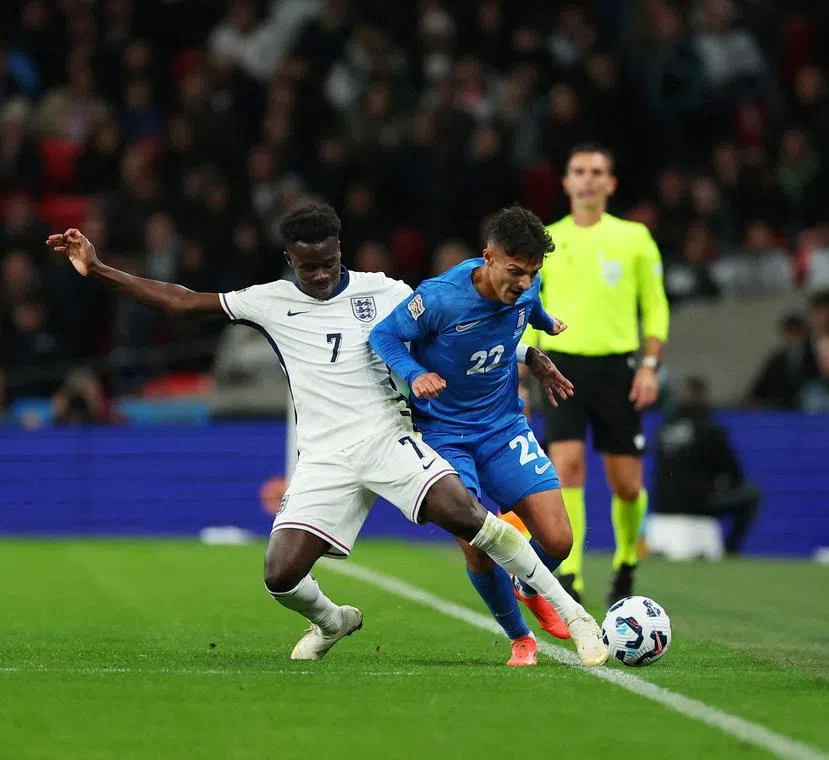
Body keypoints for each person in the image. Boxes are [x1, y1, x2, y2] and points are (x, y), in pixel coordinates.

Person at [45, 203, 607, 668]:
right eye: (308, 267)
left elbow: (455, 328)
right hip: (324, 459)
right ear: (290, 259)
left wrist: (527, 352)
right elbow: (183, 302)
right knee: (280, 575)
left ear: (341, 250)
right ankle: (333, 620)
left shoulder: (382, 291)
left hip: (390, 437)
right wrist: (98, 270)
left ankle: (576, 619)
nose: (320, 276)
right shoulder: (270, 300)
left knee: (468, 516)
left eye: (329, 263)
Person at [369, 206, 579, 667]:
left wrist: (543, 332)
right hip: (445, 435)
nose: (524, 283)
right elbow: (383, 335)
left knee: (559, 541)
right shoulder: (441, 297)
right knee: (477, 541)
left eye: (533, 273)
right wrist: (414, 372)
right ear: (488, 257)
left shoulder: (528, 285)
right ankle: (520, 638)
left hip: (504, 427)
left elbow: (530, 308)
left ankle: (526, 583)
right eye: (515, 272)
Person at [527, 142, 671, 605]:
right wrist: (522, 365)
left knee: (625, 482)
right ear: (566, 182)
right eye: (578, 171)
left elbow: (656, 308)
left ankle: (626, 559)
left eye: (596, 171)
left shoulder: (634, 238)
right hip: (560, 365)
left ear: (610, 183)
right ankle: (570, 577)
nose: (587, 179)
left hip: (617, 367)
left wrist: (649, 366)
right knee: (566, 466)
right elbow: (527, 307)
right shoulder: (546, 240)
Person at [653, 376, 761, 555]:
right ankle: (730, 549)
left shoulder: (665, 428)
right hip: (698, 503)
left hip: (662, 504)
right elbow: (733, 471)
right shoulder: (710, 429)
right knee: (753, 495)